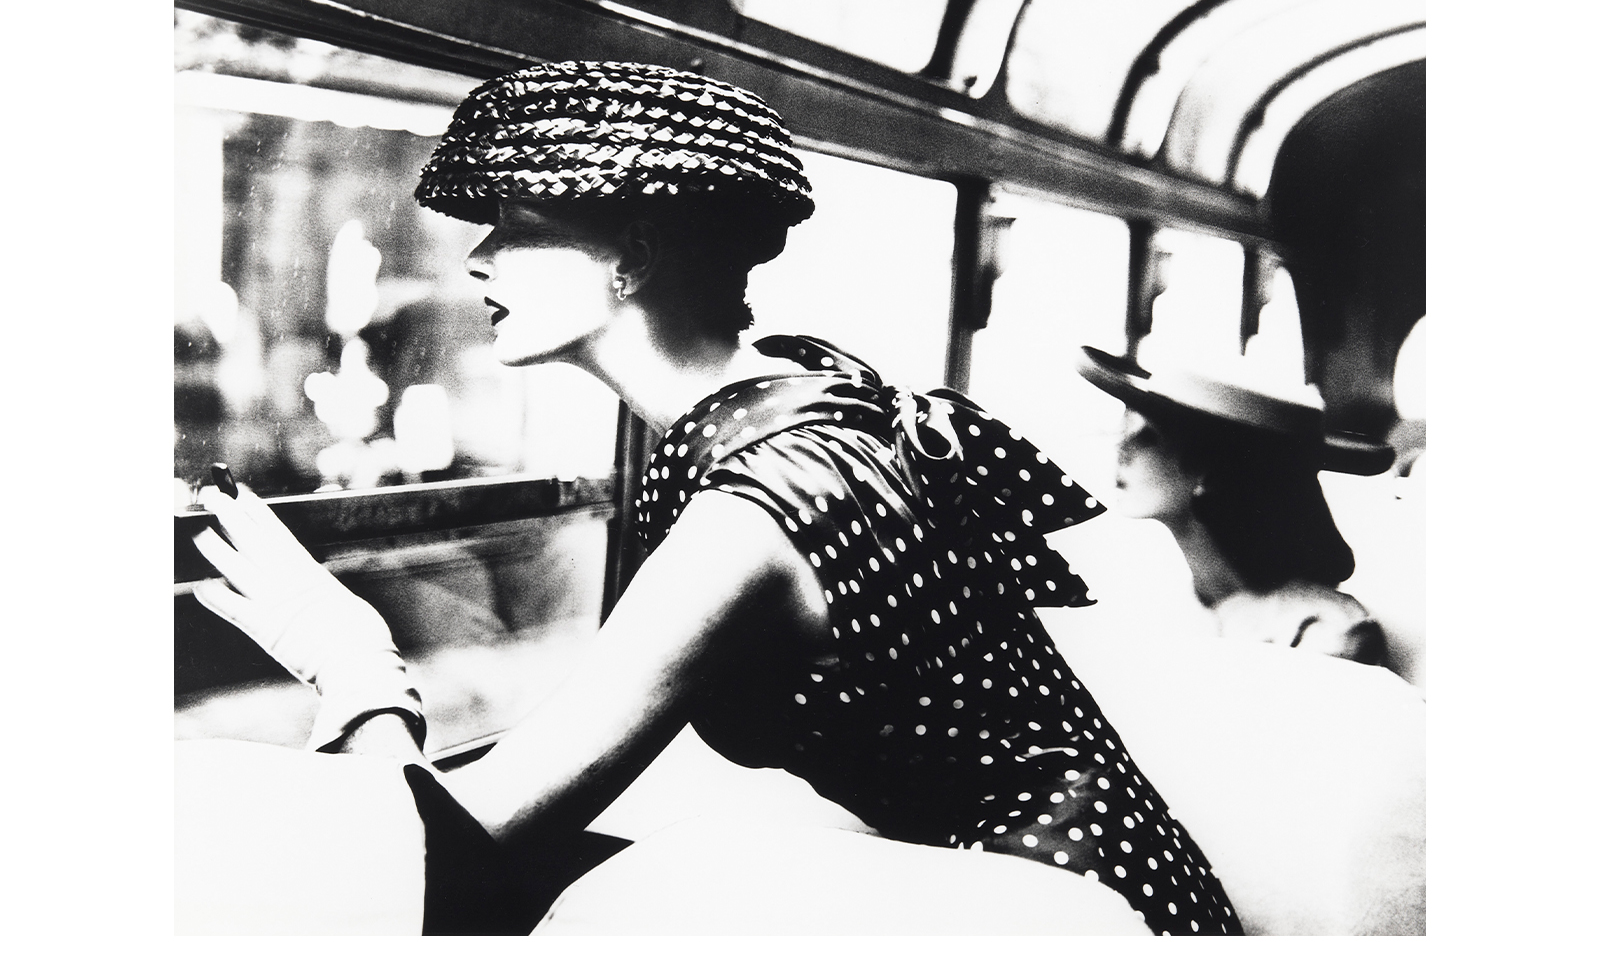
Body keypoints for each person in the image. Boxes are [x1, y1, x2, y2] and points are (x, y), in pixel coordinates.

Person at [189, 60, 1242, 936]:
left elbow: (445, 854)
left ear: (633, 256)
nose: (479, 259)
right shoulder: (806, 396)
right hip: (1045, 884)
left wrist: (354, 664)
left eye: (517, 224)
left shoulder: (759, 507)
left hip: (1056, 912)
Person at [1074, 344, 1393, 666]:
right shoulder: (1153, 613)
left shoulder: (1317, 630)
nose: (1121, 449)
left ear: (1211, 468)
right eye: (1126, 431)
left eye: (1148, 437)